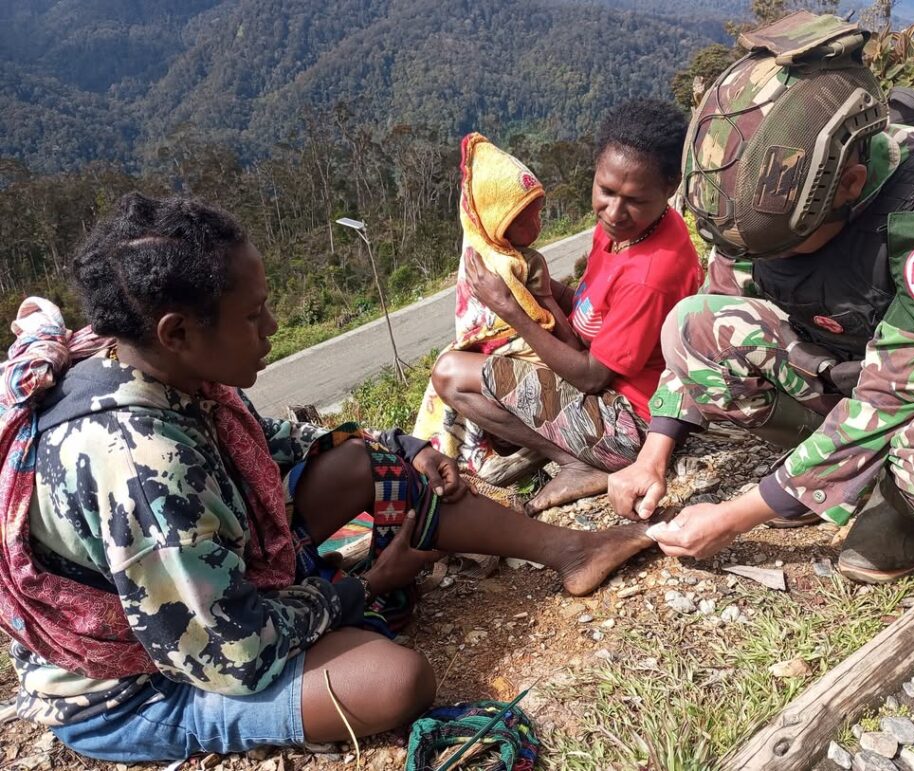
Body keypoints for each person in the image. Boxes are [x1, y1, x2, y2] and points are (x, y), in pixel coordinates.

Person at [0, 194, 657, 762]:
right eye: (253, 316)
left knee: (367, 460)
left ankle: (571, 550)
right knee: (393, 681)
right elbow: (233, 654)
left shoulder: (158, 363)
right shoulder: (141, 465)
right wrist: (359, 588)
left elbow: (272, 441)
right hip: (141, 685)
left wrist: (405, 446)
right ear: (177, 332)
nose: (271, 328)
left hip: (202, 588)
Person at [608, 11, 914, 584]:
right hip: (867, 357)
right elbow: (718, 296)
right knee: (693, 326)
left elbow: (895, 394)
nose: (768, 260)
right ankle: (838, 473)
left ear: (849, 185)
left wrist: (735, 517)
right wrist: (651, 456)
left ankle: (903, 500)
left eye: (787, 247)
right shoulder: (767, 197)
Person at [431, 99, 703, 514]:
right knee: (472, 362)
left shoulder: (652, 274)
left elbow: (592, 377)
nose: (614, 212)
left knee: (450, 374)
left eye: (634, 200)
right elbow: (595, 312)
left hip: (634, 423)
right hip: (614, 394)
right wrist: (539, 287)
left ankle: (577, 463)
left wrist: (510, 309)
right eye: (606, 191)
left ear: (670, 189)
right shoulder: (627, 231)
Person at [413, 133, 578, 480]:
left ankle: (464, 453)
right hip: (527, 356)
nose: (537, 226)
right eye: (525, 220)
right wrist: (570, 335)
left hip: (485, 356)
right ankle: (553, 454)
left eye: (538, 215)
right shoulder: (516, 264)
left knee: (448, 377)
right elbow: (552, 324)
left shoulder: (480, 254)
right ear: (496, 221)